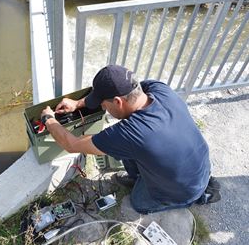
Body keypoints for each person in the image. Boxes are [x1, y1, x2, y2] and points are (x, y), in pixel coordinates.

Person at [40, 65, 221, 214]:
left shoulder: (131, 133)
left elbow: (72, 145)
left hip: (185, 188)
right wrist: (78, 103)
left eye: (103, 104)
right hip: (198, 164)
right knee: (127, 150)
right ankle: (139, 178)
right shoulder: (159, 89)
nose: (103, 108)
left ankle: (199, 197)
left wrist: (49, 119)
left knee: (138, 202)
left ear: (118, 102)